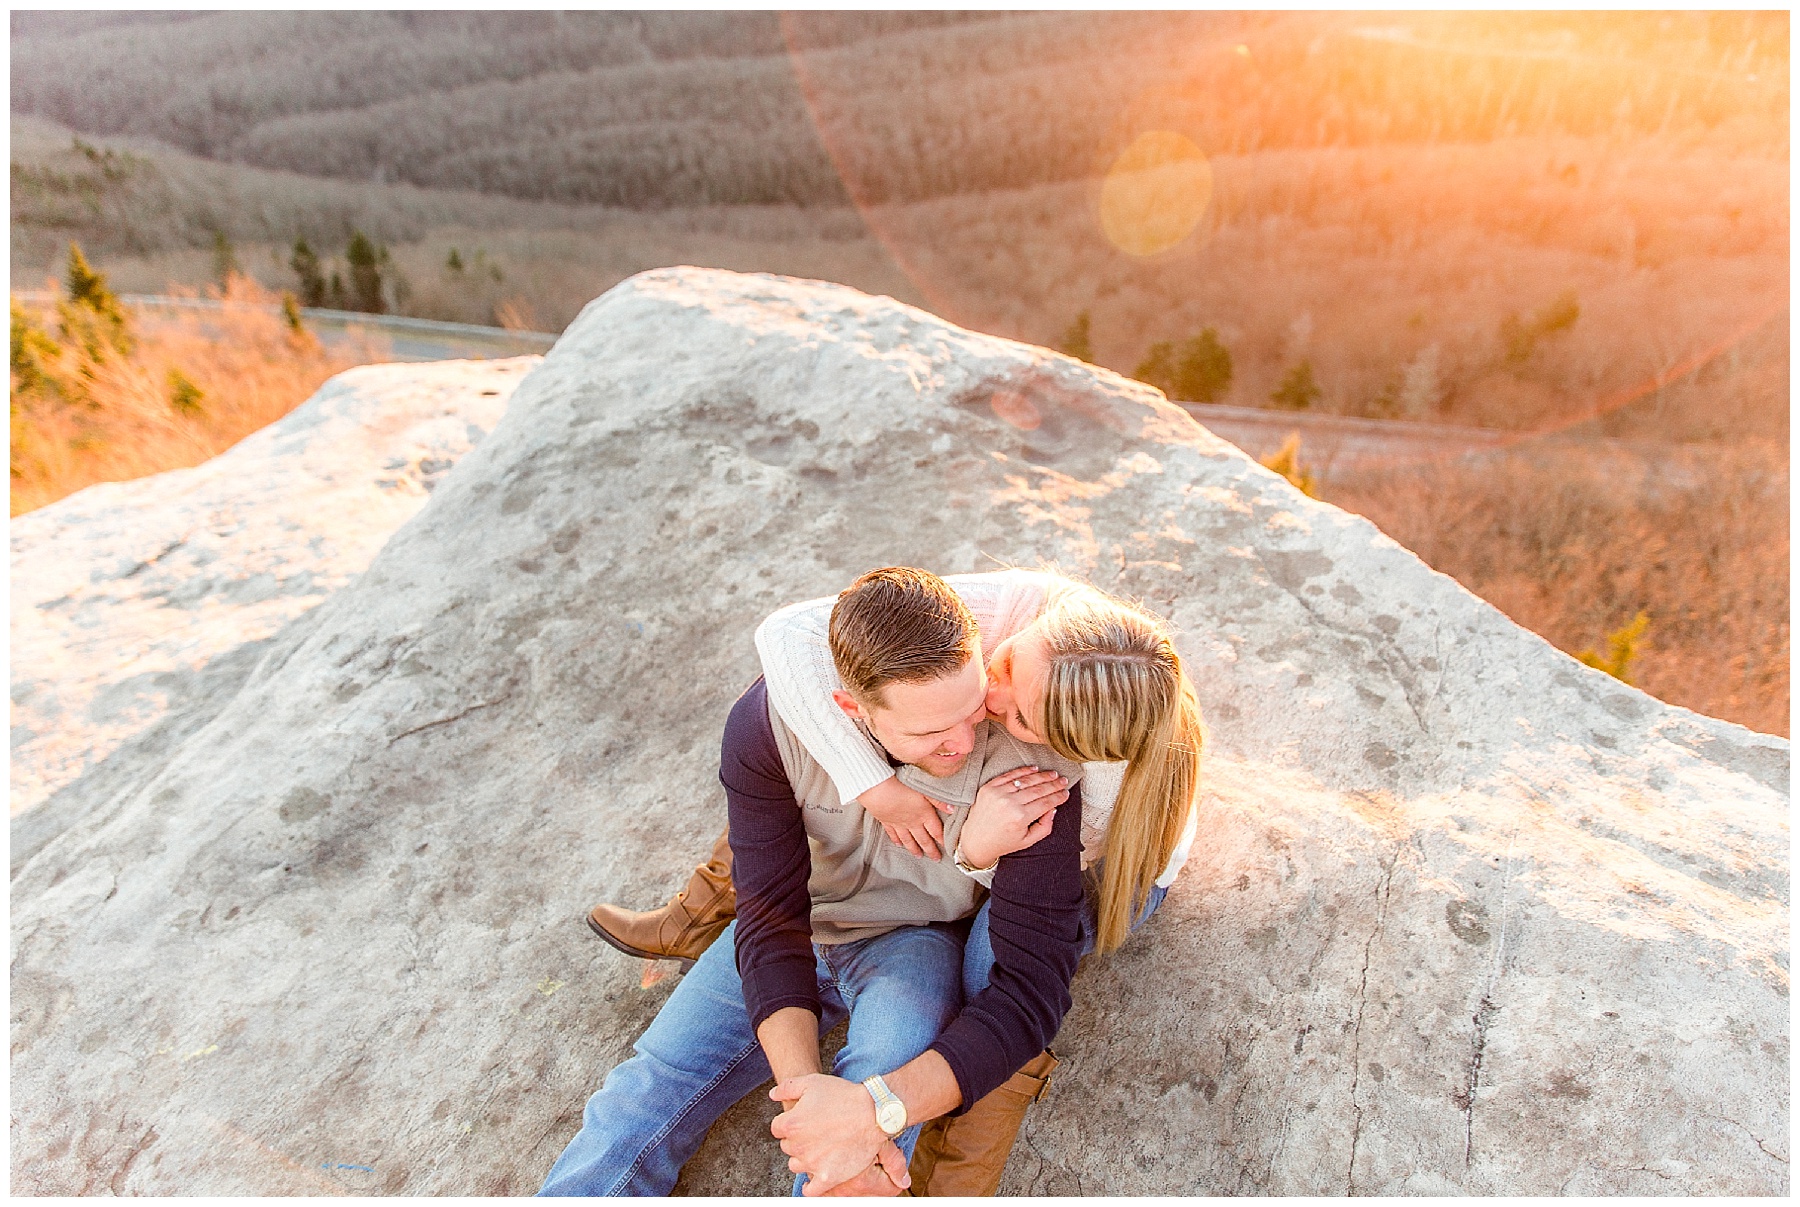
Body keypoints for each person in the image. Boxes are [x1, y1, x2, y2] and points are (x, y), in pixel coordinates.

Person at [587, 567, 1205, 1195]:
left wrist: (871, 1113)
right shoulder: (776, 722)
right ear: (849, 711)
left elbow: (1026, 987)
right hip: (813, 914)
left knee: (959, 1005)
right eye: (931, 731)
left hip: (914, 946)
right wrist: (807, 1103)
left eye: (979, 707)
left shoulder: (1039, 772)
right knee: (644, 1091)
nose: (968, 736)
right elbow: (770, 919)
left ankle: (957, 1156)